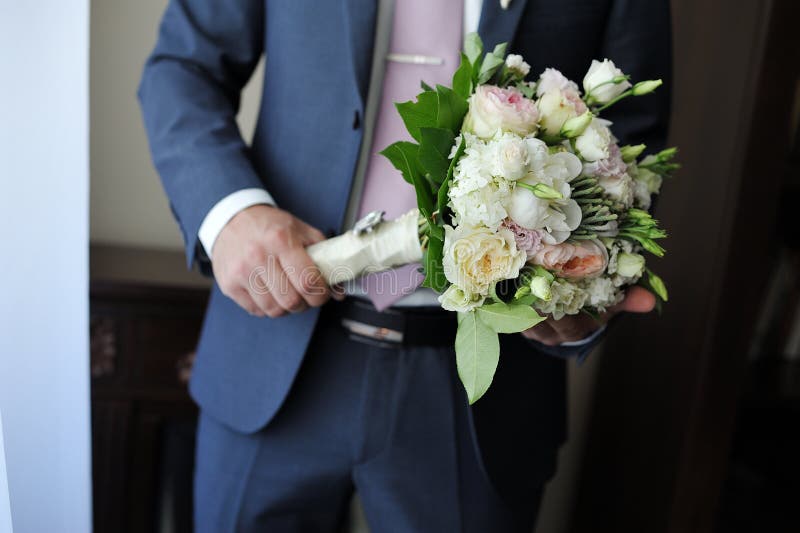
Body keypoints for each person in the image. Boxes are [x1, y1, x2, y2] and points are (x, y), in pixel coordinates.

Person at [138, 0, 671, 531]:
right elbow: (185, 67)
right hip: (275, 354)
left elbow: (631, 133)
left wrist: (588, 288)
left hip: (484, 389)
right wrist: (230, 212)